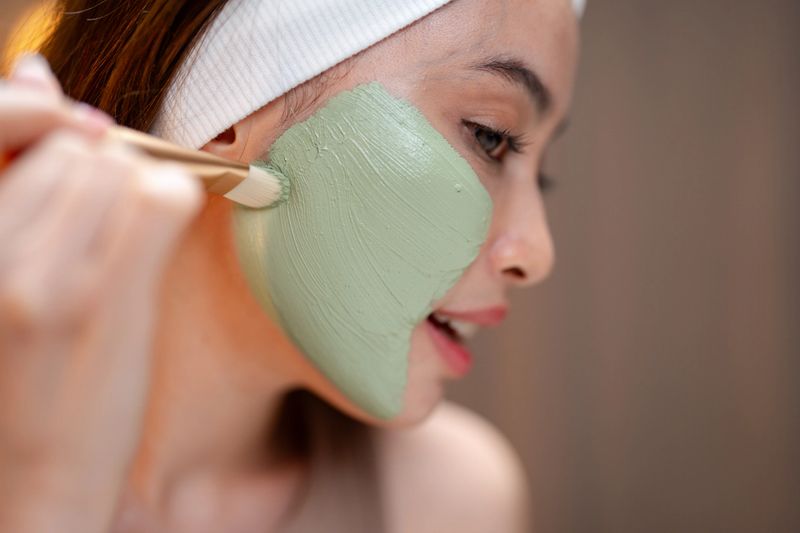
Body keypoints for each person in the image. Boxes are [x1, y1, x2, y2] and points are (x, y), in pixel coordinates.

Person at [0, 0, 580, 531]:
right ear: (233, 114)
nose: (535, 252)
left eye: (543, 175)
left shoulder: (448, 502)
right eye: (491, 137)